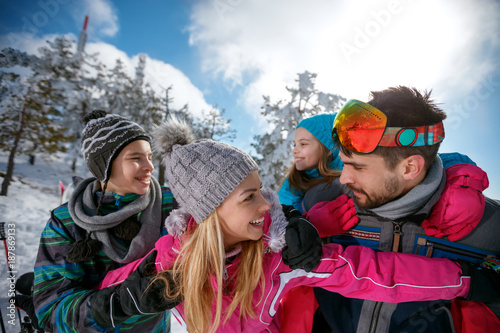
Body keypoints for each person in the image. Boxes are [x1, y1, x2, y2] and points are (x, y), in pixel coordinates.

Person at [96, 118, 495, 333]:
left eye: (262, 190)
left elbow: (373, 274)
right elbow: (112, 290)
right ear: (208, 212)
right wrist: (120, 299)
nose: (266, 202)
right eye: (249, 196)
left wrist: (462, 281)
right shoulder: (171, 257)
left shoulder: (280, 257)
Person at [301, 87, 500, 332]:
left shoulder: (487, 227)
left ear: (409, 169)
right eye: (343, 163)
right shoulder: (324, 202)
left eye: (358, 167)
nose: (343, 179)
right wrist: (305, 224)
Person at [32, 110, 180, 332]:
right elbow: (50, 311)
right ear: (105, 166)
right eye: (136, 158)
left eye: (149, 156)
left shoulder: (169, 204)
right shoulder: (66, 222)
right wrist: (117, 304)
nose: (150, 166)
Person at [278, 113, 343, 213]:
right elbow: (286, 219)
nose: (294, 151)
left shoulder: (348, 172)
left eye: (303, 144)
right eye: (295, 145)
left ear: (328, 149)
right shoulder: (291, 186)